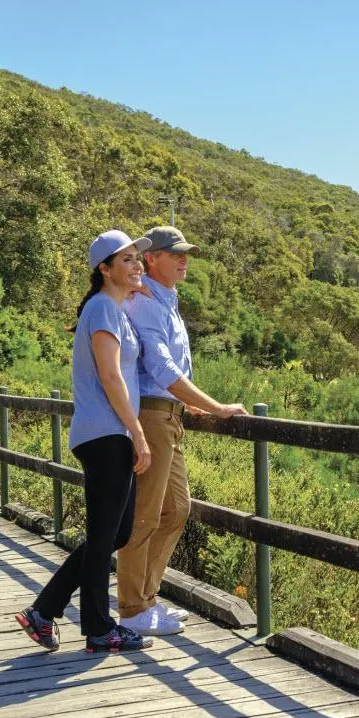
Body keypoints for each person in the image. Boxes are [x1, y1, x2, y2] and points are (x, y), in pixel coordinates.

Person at [16, 229, 156, 655]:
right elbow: (111, 377)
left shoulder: (111, 308)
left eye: (138, 259)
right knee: (105, 535)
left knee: (114, 534)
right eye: (127, 259)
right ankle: (99, 629)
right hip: (106, 433)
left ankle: (45, 610)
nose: (137, 265)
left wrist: (136, 292)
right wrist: (138, 431)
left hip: (109, 434)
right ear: (104, 269)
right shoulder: (101, 310)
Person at [116, 225, 248, 635]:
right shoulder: (147, 304)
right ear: (151, 258)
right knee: (145, 516)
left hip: (169, 415)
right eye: (175, 253)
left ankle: (146, 599)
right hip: (153, 415)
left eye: (186, 252)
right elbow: (160, 369)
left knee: (176, 509)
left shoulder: (164, 301)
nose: (184, 259)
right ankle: (133, 608)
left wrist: (190, 406)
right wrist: (216, 407)